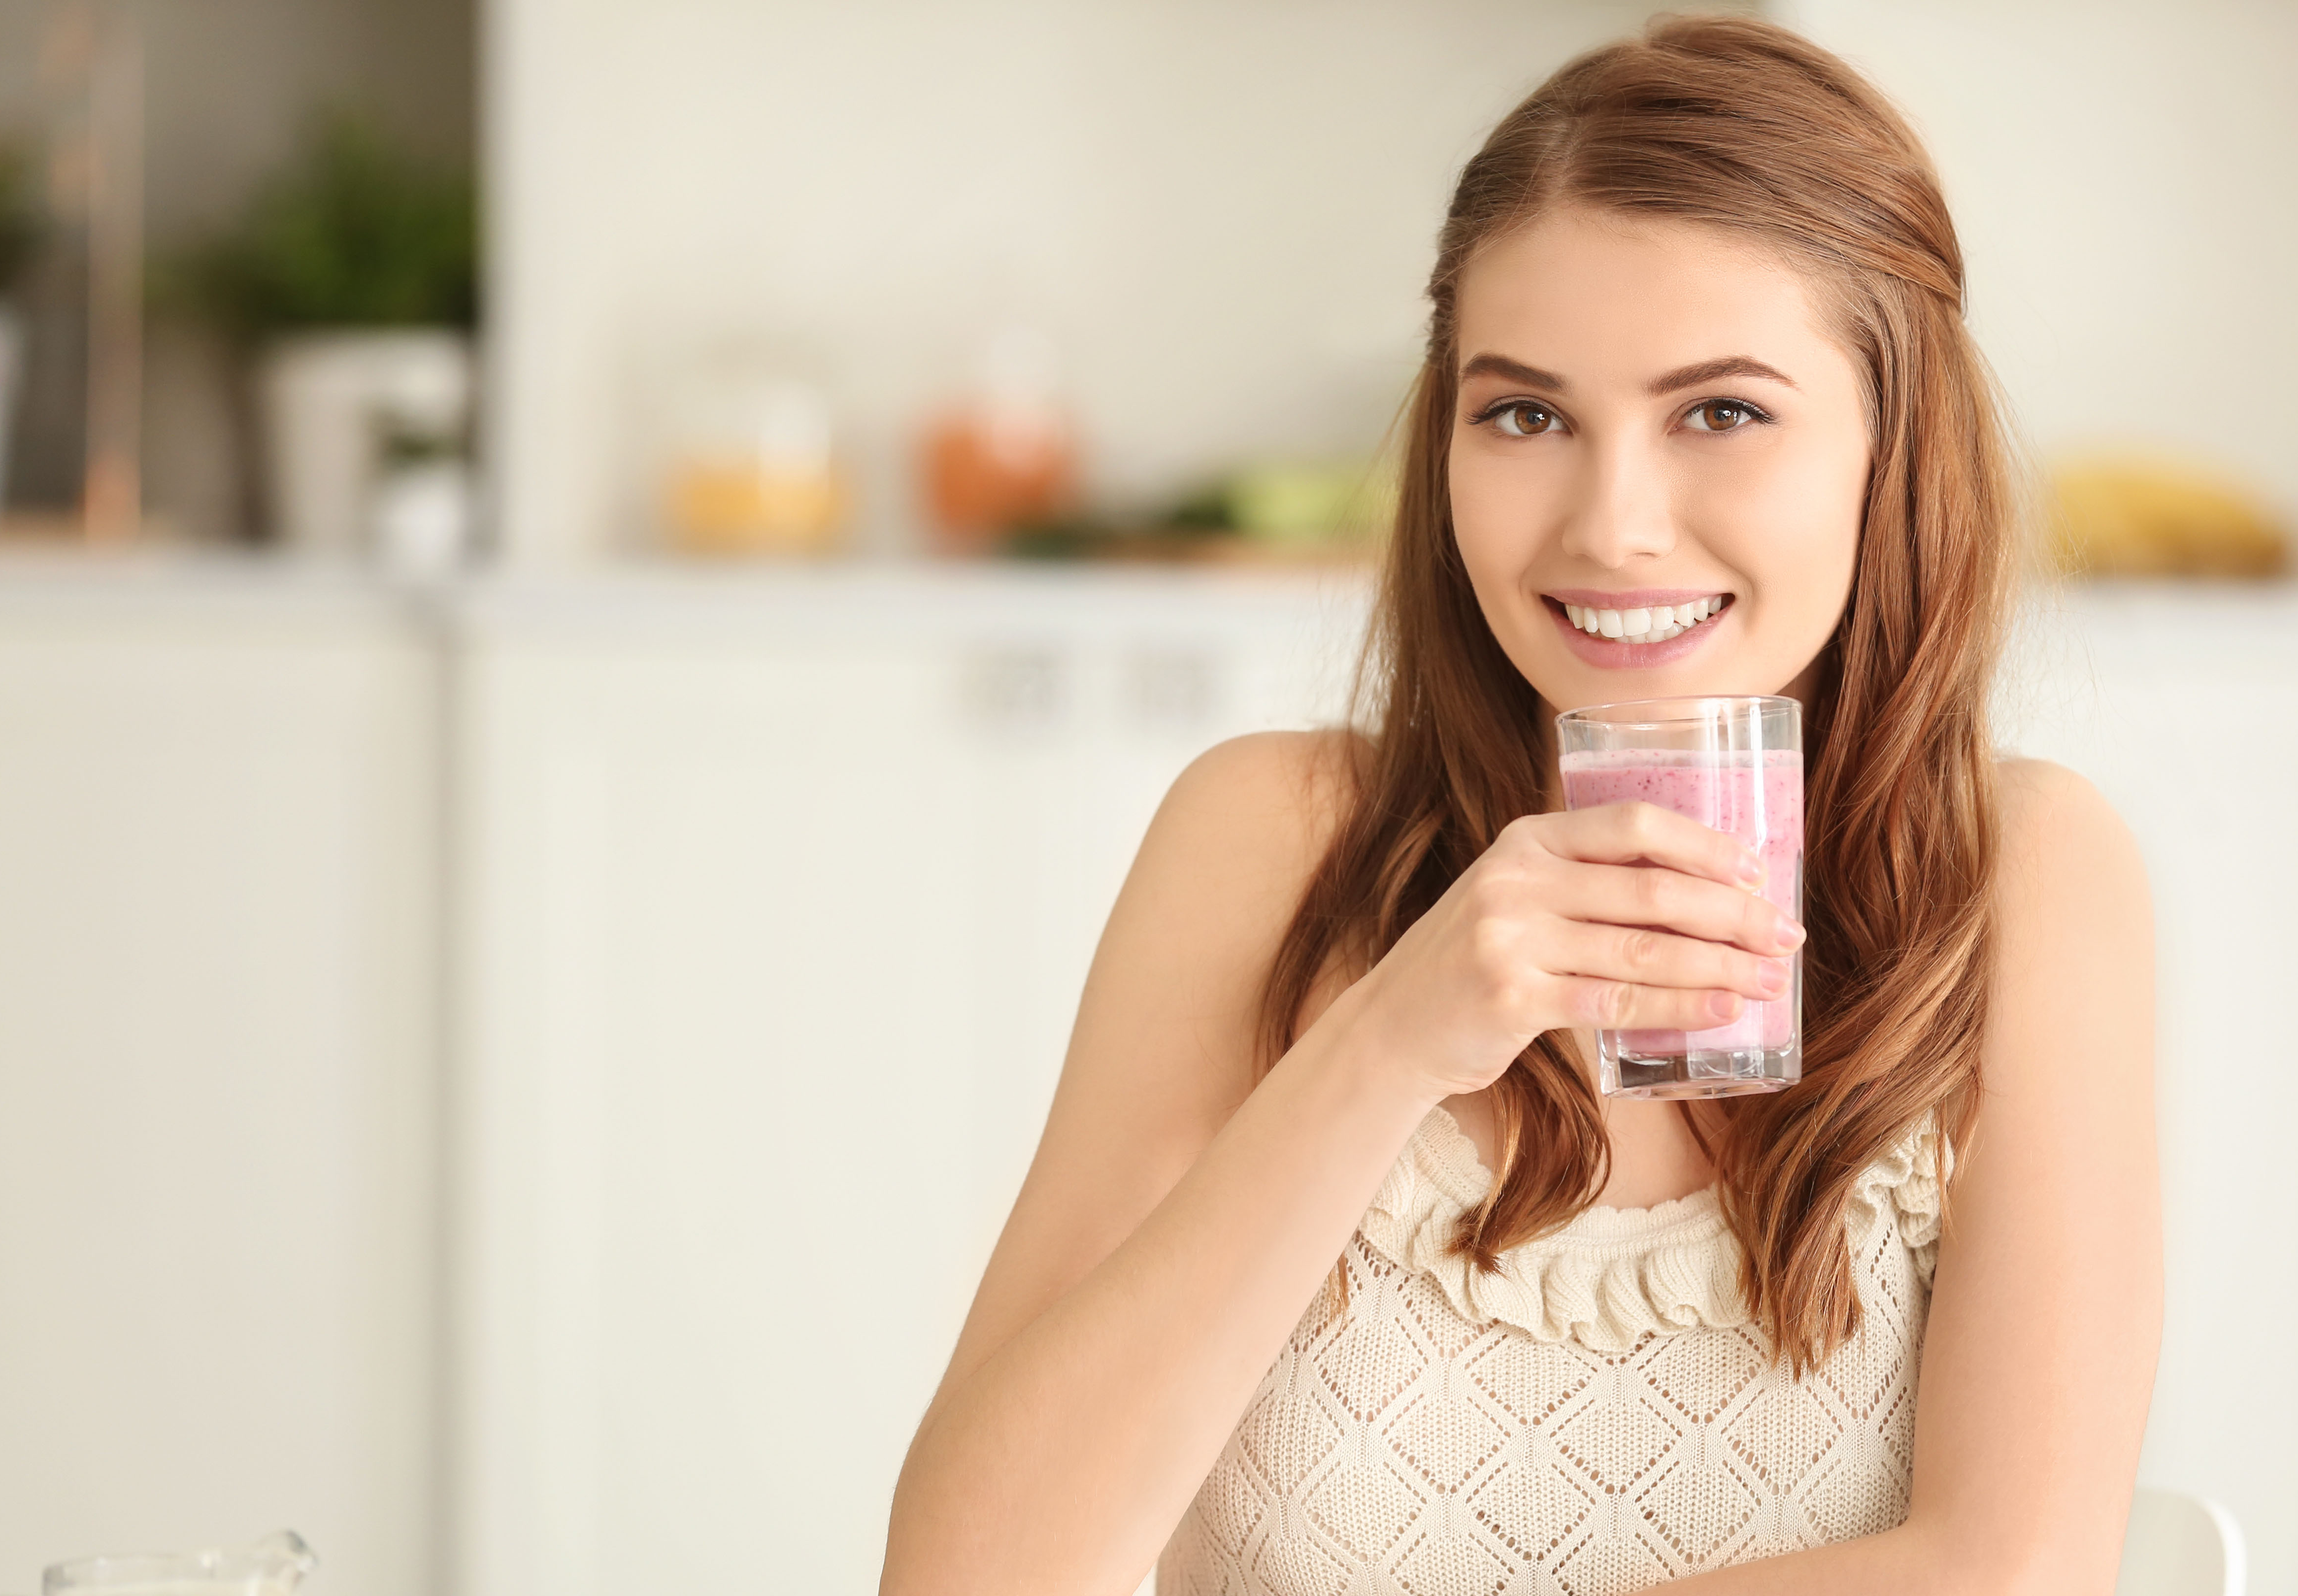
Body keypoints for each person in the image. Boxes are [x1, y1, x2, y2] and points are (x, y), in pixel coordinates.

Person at [882, 16, 2159, 1594]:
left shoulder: (2021, 878)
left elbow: (2014, 1574)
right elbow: (971, 1576)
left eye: (1722, 411)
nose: (1613, 526)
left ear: (1889, 451)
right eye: (1527, 415)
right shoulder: (1271, 840)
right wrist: (1389, 1041)